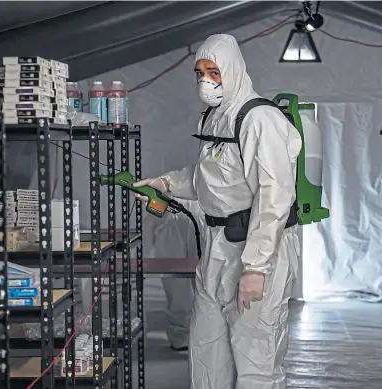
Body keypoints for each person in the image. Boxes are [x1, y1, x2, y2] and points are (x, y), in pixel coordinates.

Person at [134, 34, 302, 389]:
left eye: (214, 72)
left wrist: (256, 268)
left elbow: (275, 197)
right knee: (207, 350)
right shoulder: (212, 118)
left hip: (255, 248)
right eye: (200, 73)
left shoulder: (260, 119)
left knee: (256, 356)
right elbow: (208, 181)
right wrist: (164, 183)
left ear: (232, 70)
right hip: (215, 245)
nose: (206, 81)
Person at [142, 198, 203, 351]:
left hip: (206, 218)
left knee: (206, 286)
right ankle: (180, 335)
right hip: (172, 219)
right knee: (176, 287)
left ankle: (207, 336)